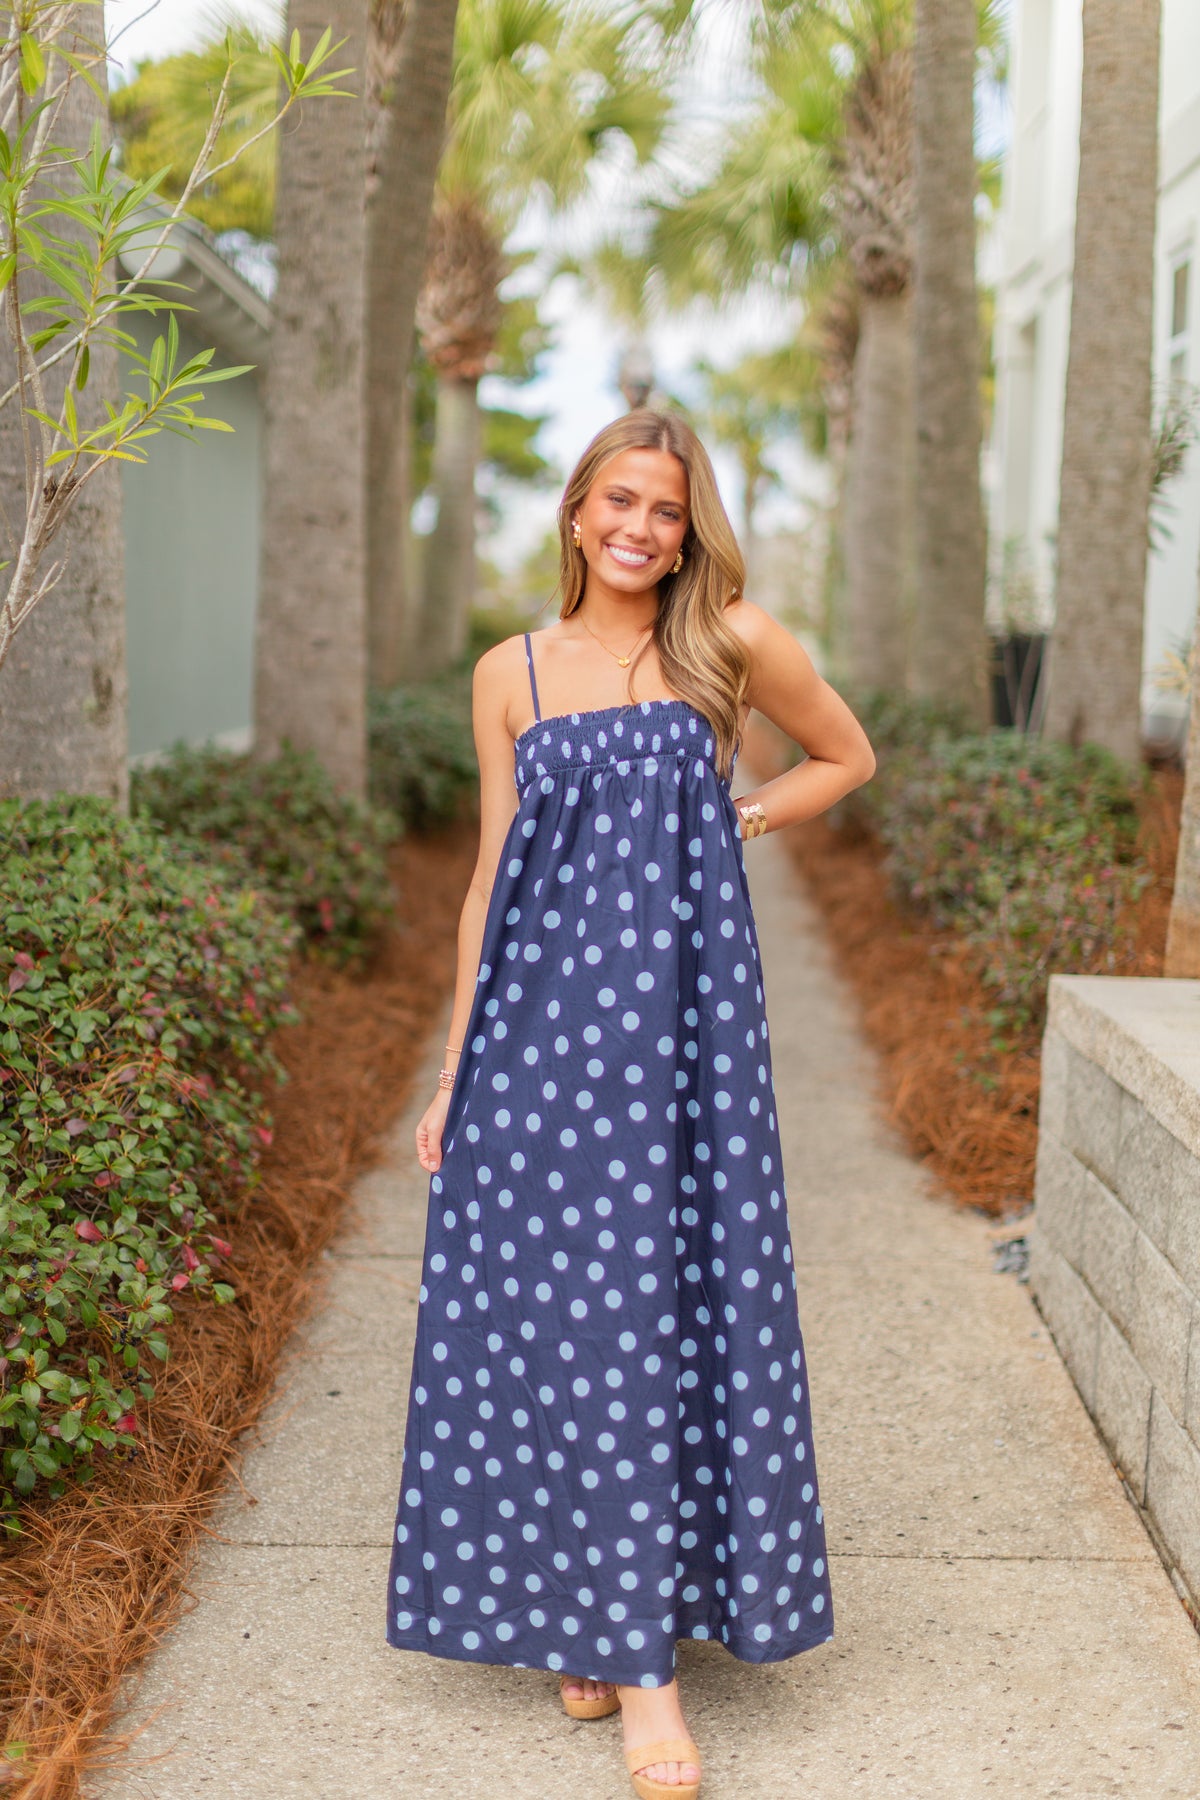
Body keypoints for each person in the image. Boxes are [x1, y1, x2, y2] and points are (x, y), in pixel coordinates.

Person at [387, 411, 875, 1800]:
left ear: (688, 528)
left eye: (665, 509)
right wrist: (456, 1069)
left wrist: (734, 818)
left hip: (681, 1051)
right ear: (576, 512)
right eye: (619, 501)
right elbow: (491, 880)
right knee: (554, 1326)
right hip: (535, 1048)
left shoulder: (730, 644)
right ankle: (589, 1618)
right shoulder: (511, 671)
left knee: (656, 1316)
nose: (639, 529)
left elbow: (844, 756)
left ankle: (643, 1663)